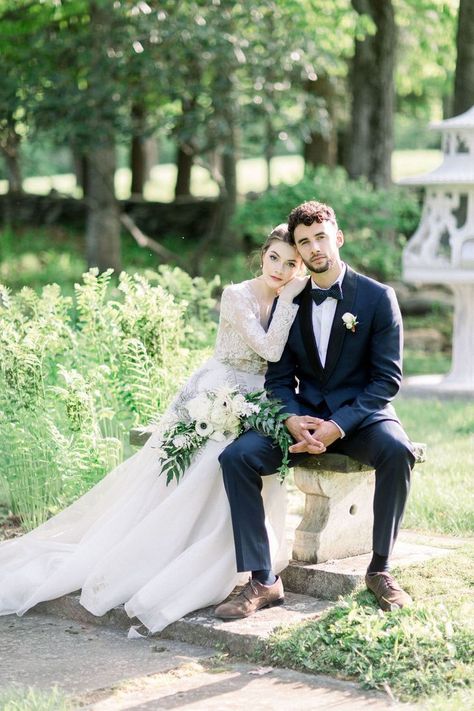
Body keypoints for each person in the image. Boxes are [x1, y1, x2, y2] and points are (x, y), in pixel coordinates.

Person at [0, 225, 307, 634]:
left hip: (259, 402)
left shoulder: (296, 299)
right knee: (206, 463)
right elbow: (268, 348)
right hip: (218, 393)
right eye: (275, 258)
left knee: (243, 460)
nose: (281, 270)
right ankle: (176, 549)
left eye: (291, 264)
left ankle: (248, 561)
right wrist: (289, 297)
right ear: (262, 254)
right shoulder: (237, 296)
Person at [216, 200, 416, 620]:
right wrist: (290, 418)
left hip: (358, 418)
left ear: (337, 238)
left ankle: (379, 569)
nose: (314, 248)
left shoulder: (379, 298)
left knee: (398, 450)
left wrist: (338, 426)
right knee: (236, 457)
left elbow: (387, 381)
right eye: (304, 242)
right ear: (299, 251)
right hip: (301, 419)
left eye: (321, 237)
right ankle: (263, 578)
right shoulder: (289, 300)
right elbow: (276, 378)